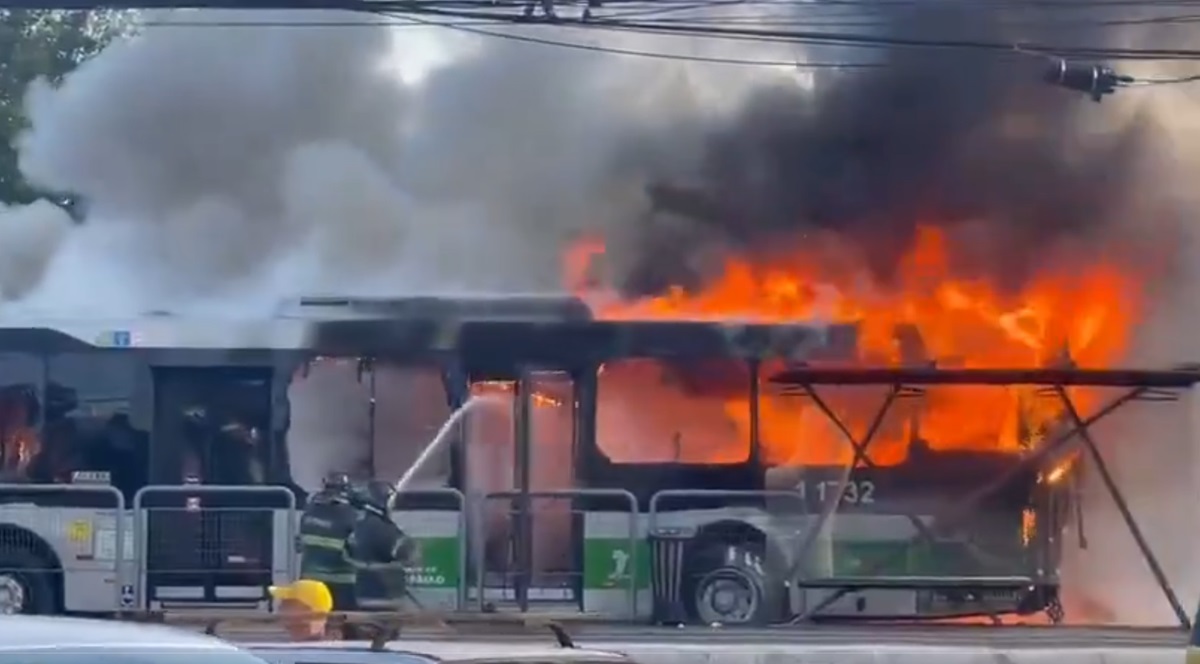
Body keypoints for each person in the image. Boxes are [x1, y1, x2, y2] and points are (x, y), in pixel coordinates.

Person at [298, 472, 361, 610]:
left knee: (315, 620)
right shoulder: (349, 513)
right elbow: (359, 546)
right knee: (349, 621)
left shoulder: (310, 510)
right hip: (340, 578)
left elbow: (301, 544)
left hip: (311, 577)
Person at [268, 579, 334, 641]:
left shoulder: (332, 650)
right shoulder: (280, 640)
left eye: (288, 603)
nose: (280, 607)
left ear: (308, 609)